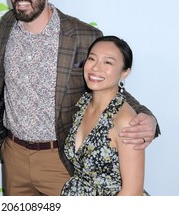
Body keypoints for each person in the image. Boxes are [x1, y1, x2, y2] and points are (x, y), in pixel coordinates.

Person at [0, 0, 160, 196]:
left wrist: (146, 117)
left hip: (59, 160)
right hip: (13, 155)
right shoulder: (5, 25)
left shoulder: (82, 35)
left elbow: (108, 86)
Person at [61, 36, 147, 195]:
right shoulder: (83, 103)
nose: (95, 68)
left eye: (108, 62)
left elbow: (132, 193)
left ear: (125, 72)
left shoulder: (125, 121)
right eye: (92, 59)